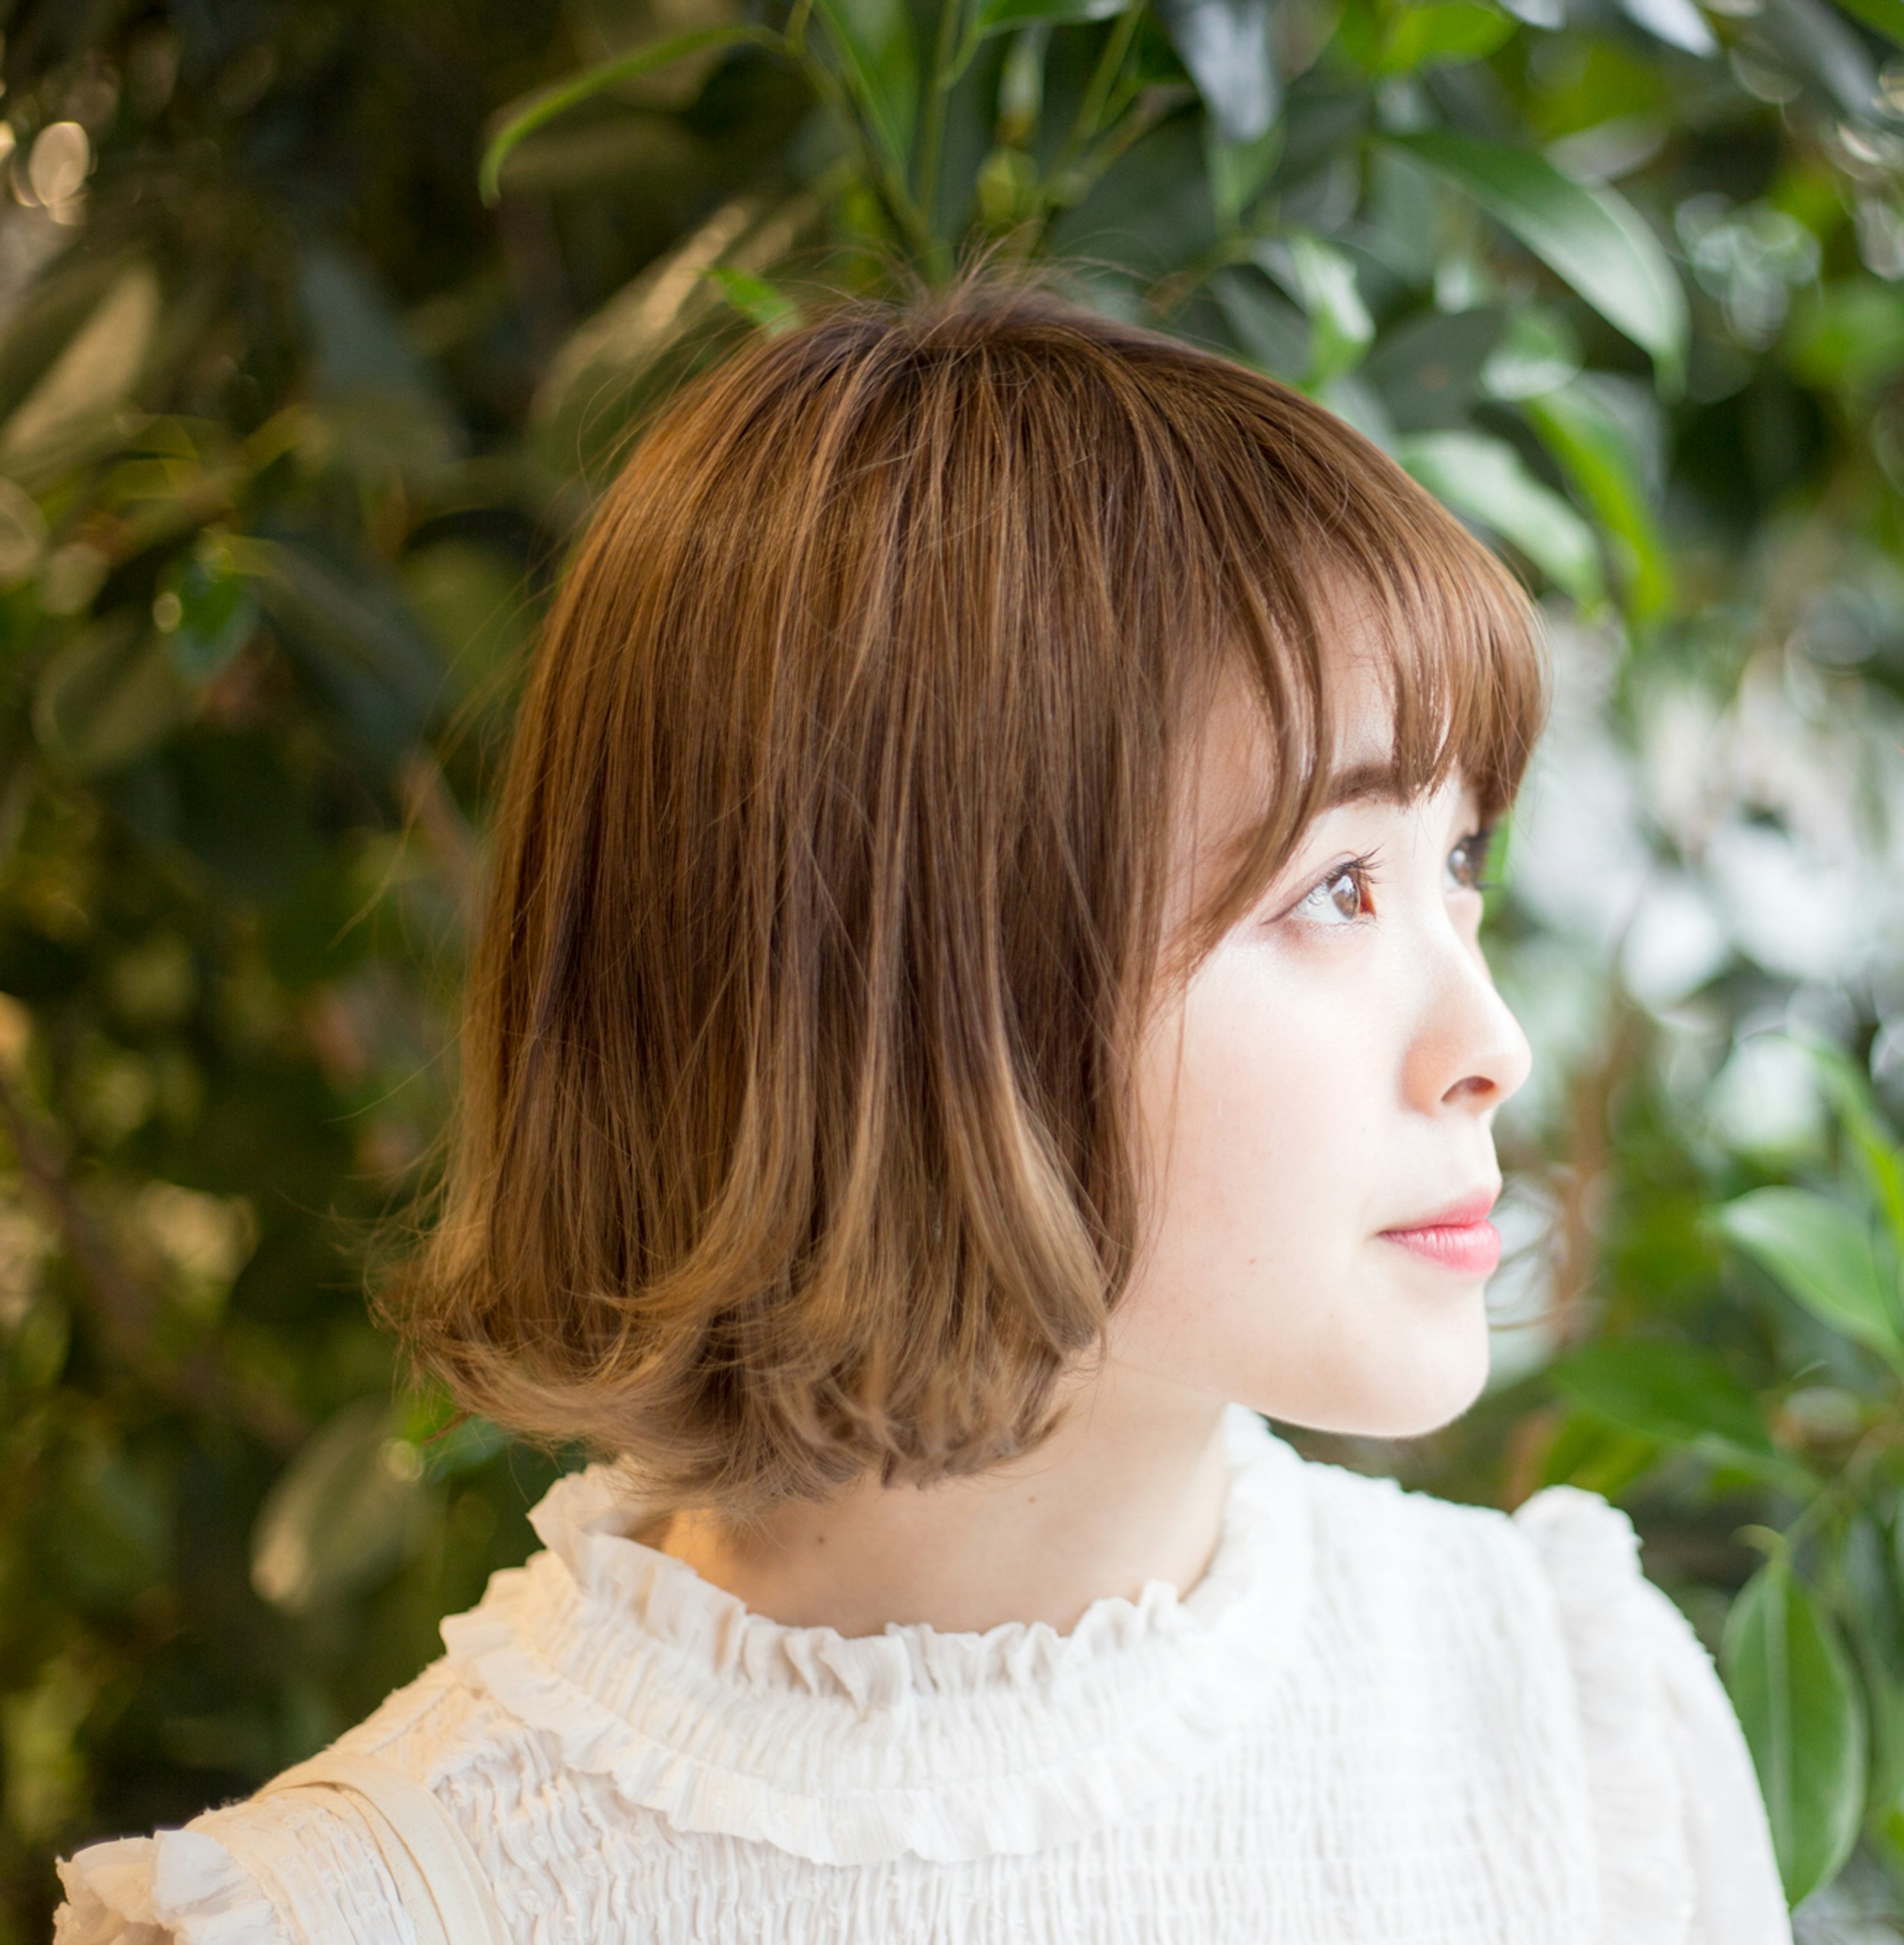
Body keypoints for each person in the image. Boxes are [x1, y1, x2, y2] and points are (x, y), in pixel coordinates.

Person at [50, 263, 1795, 1945]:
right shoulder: (356, 1912)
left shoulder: (1575, 1730)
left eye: (1460, 861)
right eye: (1335, 883)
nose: (1490, 1037)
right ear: (914, 986)